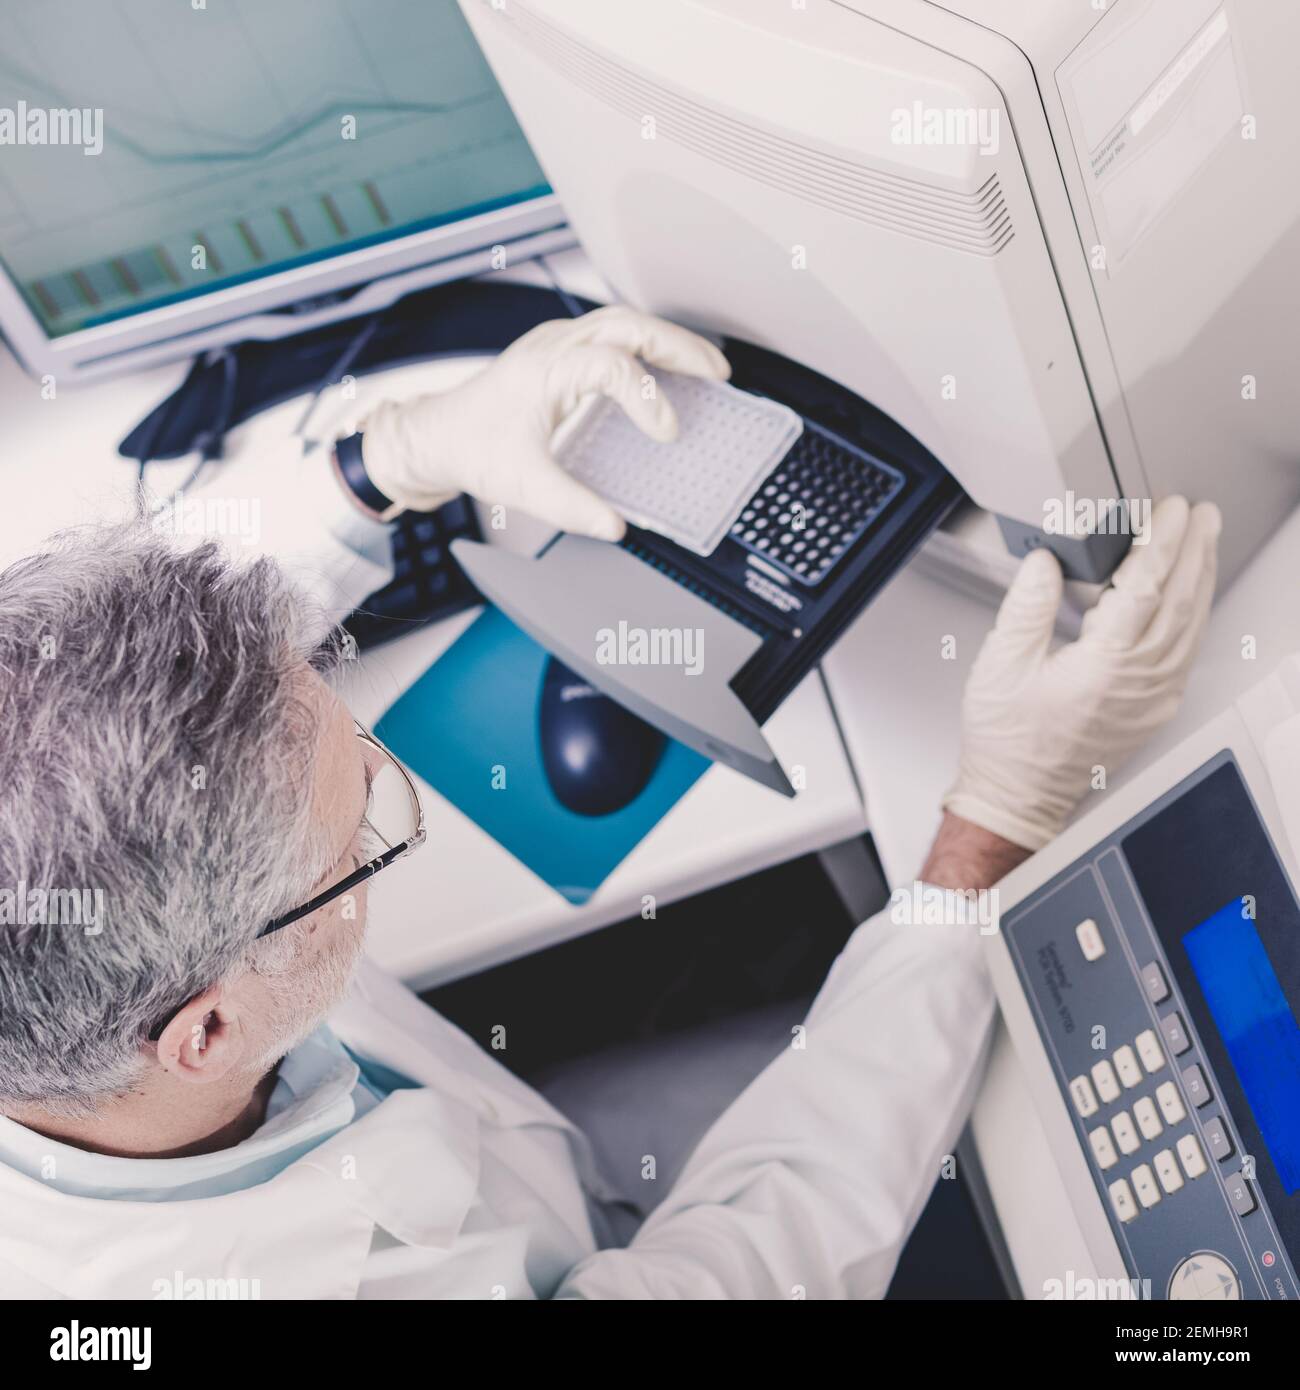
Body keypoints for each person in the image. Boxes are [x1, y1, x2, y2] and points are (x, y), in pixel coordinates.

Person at [0, 307, 1220, 1299]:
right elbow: (752, 1258)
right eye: (362, 829)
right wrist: (991, 828)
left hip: (502, 1149)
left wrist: (388, 460)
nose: (389, 790)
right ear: (204, 1032)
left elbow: (94, 695)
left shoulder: (92, 929)